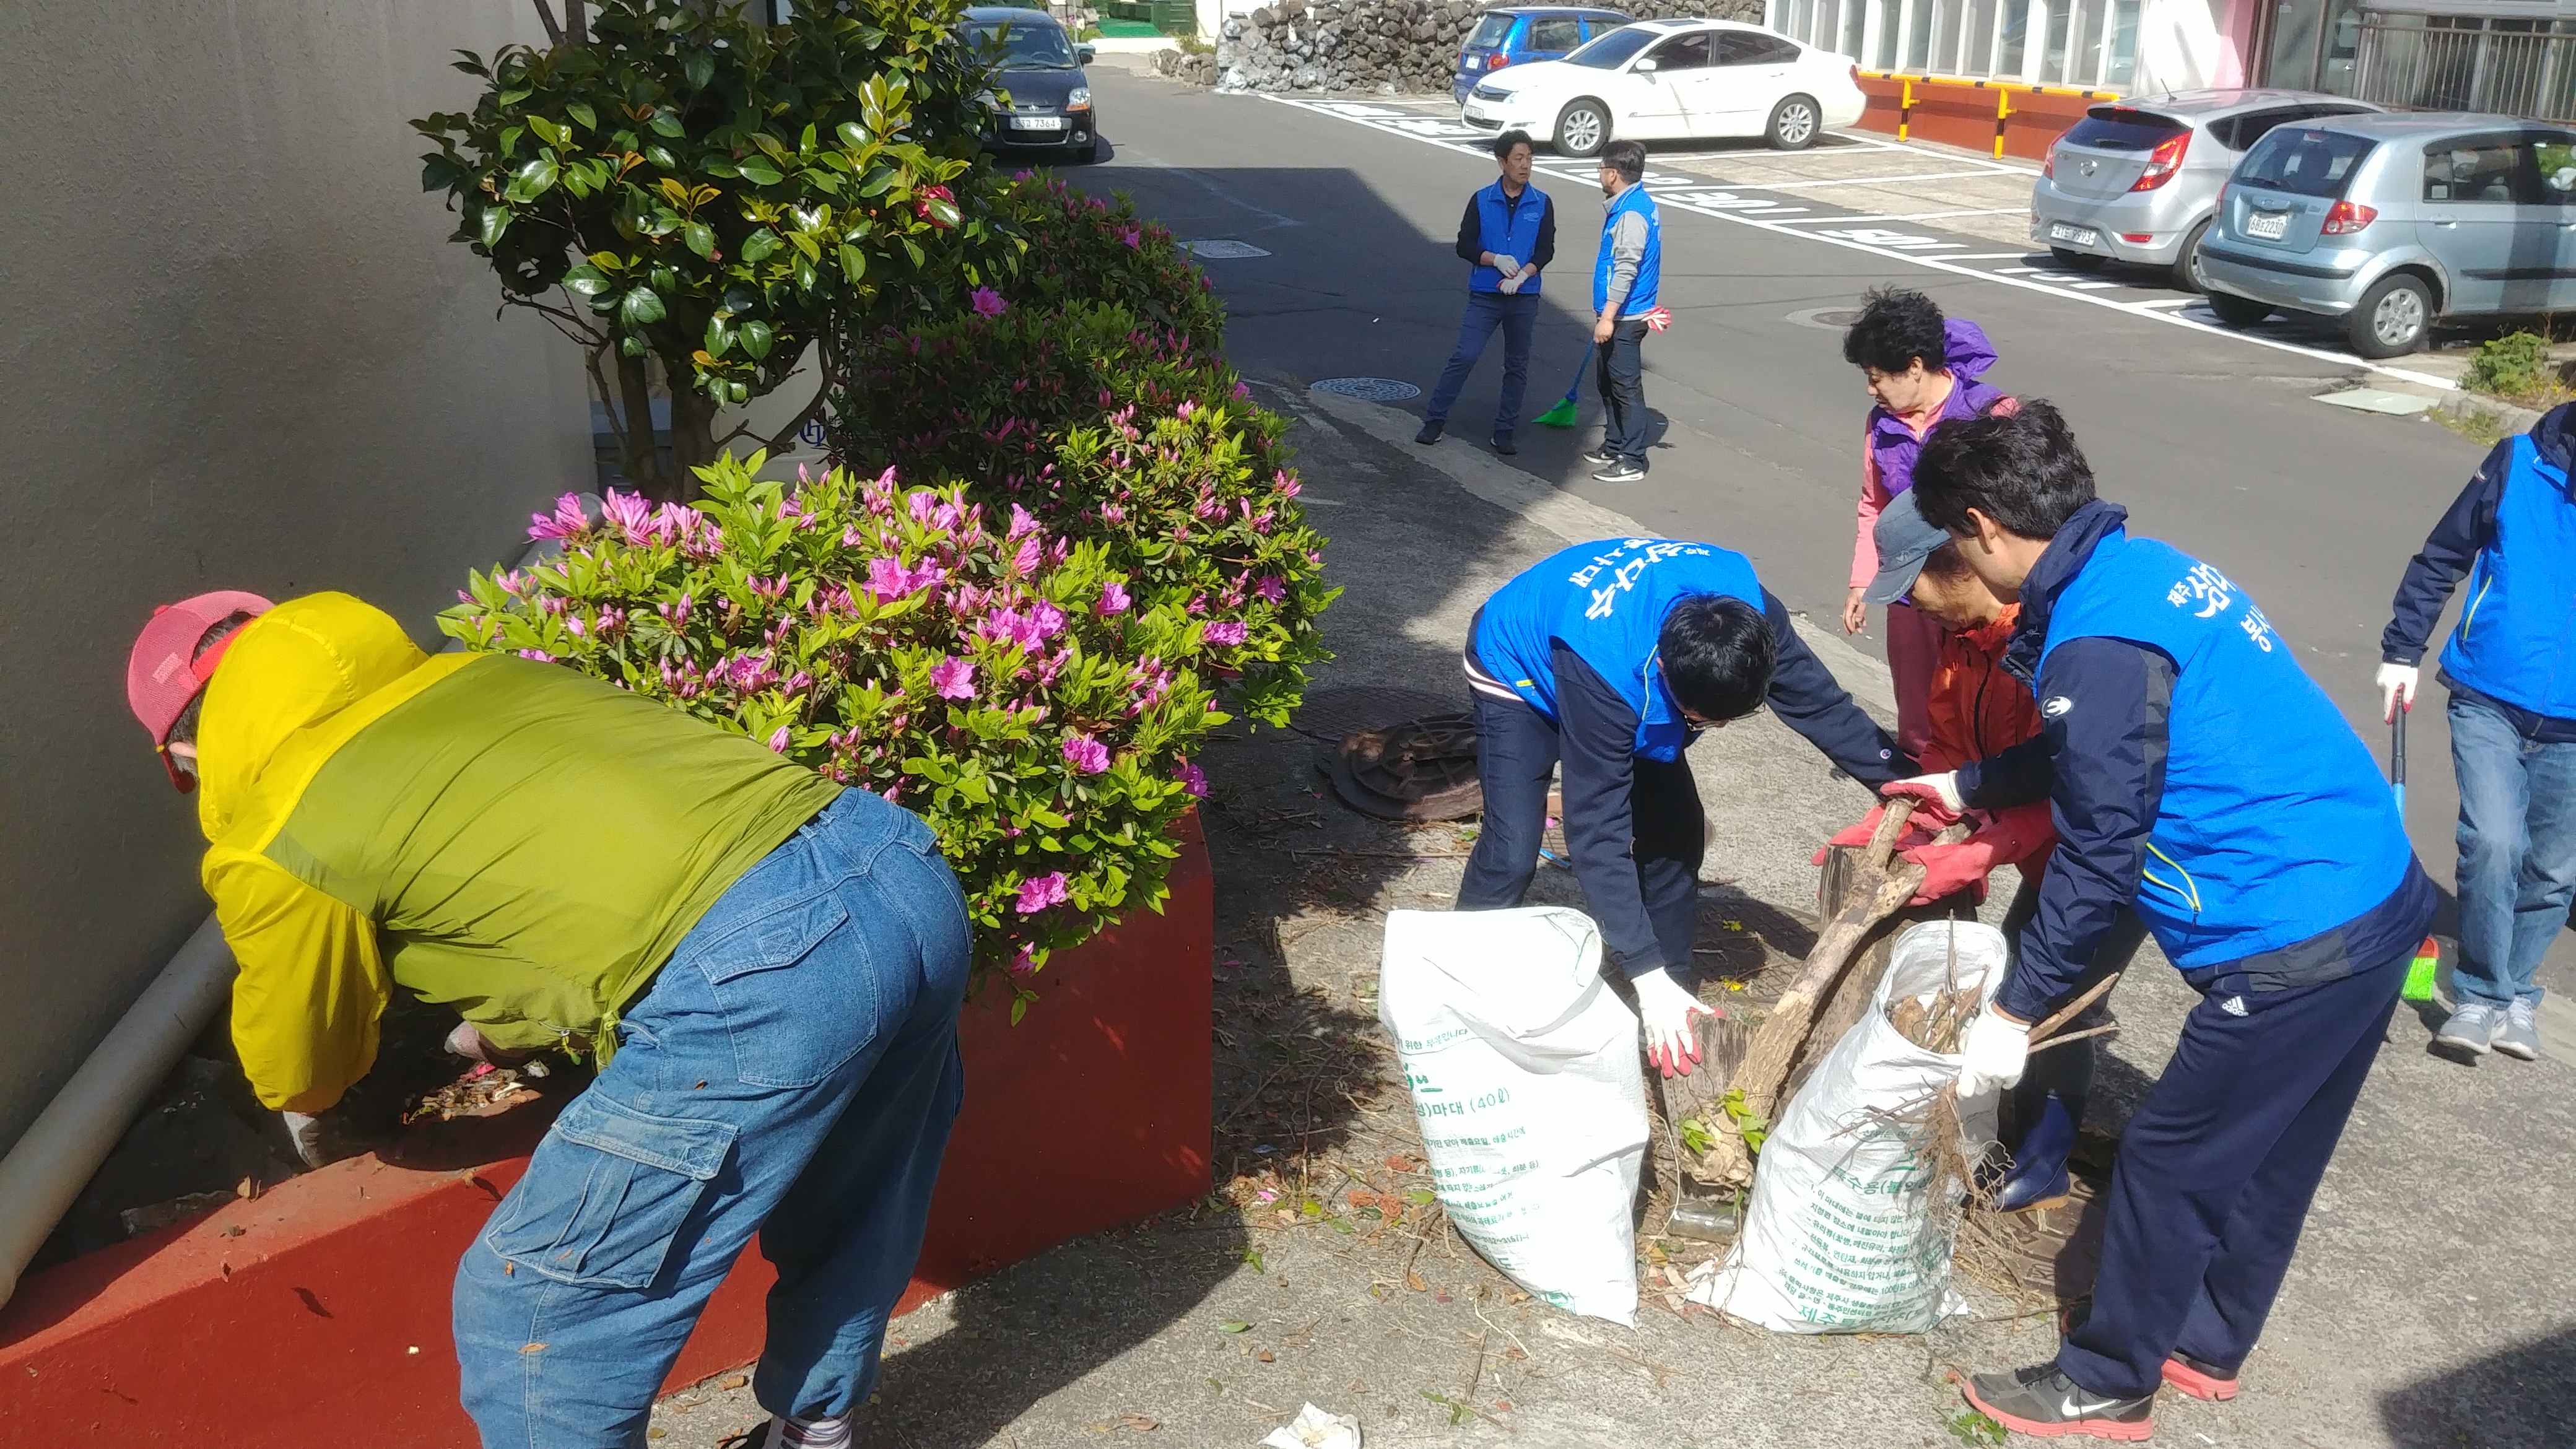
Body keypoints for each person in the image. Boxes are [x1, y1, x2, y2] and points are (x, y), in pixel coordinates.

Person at [125, 590, 972, 1449]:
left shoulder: (272, 835)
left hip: (762, 971)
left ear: (190, 747)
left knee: (534, 1312)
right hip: (895, 863)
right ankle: (816, 1436)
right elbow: (569, 886)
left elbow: (303, 1055)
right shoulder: (476, 680)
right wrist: (484, 1033)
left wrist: (308, 1115)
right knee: (853, 1189)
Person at [1899, 405, 2435, 1440]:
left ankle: (2107, 1376)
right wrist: (1966, 784)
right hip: (2376, 893)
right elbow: (2096, 749)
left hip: (2289, 935)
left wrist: (2015, 1010)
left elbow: (2101, 846)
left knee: (2168, 1161)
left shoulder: (2094, 640)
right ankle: (2207, 1342)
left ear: (1983, 525)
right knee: (2274, 1150)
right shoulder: (2144, 570)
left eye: (1953, 542)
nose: (1957, 561)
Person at [1457, 537, 1912, 1077]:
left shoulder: (1752, 620)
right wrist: (1639, 968)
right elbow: (1597, 833)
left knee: (1676, 836)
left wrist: (1906, 784)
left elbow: (1821, 705)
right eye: (1697, 720)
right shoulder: (1609, 667)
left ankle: (1673, 993)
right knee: (1513, 849)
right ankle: (1457, 985)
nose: (1706, 731)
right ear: (1667, 673)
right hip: (1520, 668)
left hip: (1623, 667)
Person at [1821, 490, 2146, 1211]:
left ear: (1962, 563)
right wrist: (1909, 816)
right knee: (2019, 958)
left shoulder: (2046, 648)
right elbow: (1950, 749)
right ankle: (2008, 1126)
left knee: (2051, 988)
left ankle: (2043, 1156)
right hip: (2040, 848)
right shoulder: (1960, 643)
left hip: (2108, 852)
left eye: (1914, 588)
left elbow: (2076, 786)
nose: (1909, 608)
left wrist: (1984, 851)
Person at [2378, 401, 2576, 1062]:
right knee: (2492, 841)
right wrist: (2401, 650)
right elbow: (2442, 555)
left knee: (2550, 870)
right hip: (2488, 695)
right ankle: (2482, 994)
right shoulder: (2517, 463)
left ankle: (2515, 994)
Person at [1838, 287, 2015, 762]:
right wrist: (1862, 581)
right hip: (1911, 585)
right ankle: (1923, 782)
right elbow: (1872, 506)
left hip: (1980, 587)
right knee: (1917, 698)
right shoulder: (1880, 425)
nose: (1871, 390)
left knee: (1986, 691)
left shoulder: (1991, 414)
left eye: (1877, 378)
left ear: (1915, 367)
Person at [1416, 129, 1556, 456]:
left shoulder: (1542, 202)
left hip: (1524, 296)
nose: (1525, 166)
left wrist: (1522, 275)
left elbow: (1545, 250)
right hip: (1485, 294)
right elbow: (1464, 245)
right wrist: (1495, 259)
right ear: (1502, 162)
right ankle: (1434, 421)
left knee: (1517, 364)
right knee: (1465, 355)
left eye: (1529, 158)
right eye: (1518, 159)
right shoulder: (1481, 199)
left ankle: (1504, 430)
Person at [1583, 139, 1664, 485]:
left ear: (1613, 174)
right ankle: (1615, 444)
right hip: (1623, 313)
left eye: (1602, 168)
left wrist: (1607, 316)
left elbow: (1626, 267)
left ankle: (1632, 458)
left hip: (1626, 316)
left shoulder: (1632, 213)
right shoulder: (1634, 204)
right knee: (1608, 382)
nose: (1600, 174)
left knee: (1625, 387)